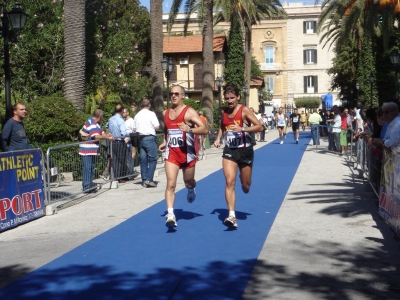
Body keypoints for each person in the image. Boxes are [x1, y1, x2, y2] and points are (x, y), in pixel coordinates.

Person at [213, 84, 263, 228]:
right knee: (229, 181)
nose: (229, 101)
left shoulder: (244, 111)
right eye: (227, 98)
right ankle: (232, 216)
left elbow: (260, 126)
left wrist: (243, 128)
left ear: (238, 97)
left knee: (245, 186)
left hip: (245, 151)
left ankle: (244, 178)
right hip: (230, 150)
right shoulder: (223, 112)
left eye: (232, 98)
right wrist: (218, 138)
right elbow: (223, 126)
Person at [158, 85, 208, 228]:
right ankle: (171, 214)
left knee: (188, 181)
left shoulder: (189, 112)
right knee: (171, 184)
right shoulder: (165, 113)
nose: (173, 96)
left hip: (187, 154)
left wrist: (189, 129)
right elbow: (167, 128)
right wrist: (164, 141)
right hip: (172, 153)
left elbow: (205, 129)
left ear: (182, 96)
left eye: (176, 94)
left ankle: (191, 188)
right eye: (171, 94)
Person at [79, 109, 114, 192]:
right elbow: (96, 136)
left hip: (92, 150)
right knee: (87, 168)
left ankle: (89, 185)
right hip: (86, 150)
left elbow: (101, 133)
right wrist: (107, 137)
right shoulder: (91, 123)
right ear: (100, 116)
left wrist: (107, 135)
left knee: (91, 168)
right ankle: (87, 187)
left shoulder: (97, 124)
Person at [133, 98, 160, 188]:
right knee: (152, 159)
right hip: (149, 137)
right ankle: (149, 179)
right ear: (149, 105)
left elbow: (134, 128)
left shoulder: (137, 115)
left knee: (143, 160)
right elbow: (156, 126)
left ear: (141, 105)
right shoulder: (151, 114)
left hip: (140, 138)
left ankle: (144, 179)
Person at [108, 104, 129, 183]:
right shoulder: (121, 120)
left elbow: (107, 126)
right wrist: (130, 134)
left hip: (112, 142)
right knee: (121, 159)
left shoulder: (110, 119)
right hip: (120, 142)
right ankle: (121, 177)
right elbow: (123, 133)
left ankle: (115, 177)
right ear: (122, 110)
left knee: (115, 160)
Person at [123, 108, 139, 180]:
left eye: (124, 112)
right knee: (126, 158)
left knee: (129, 158)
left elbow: (133, 132)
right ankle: (127, 173)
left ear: (128, 113)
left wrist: (129, 139)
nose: (123, 114)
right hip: (124, 142)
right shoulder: (124, 121)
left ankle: (130, 174)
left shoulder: (131, 121)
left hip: (129, 142)